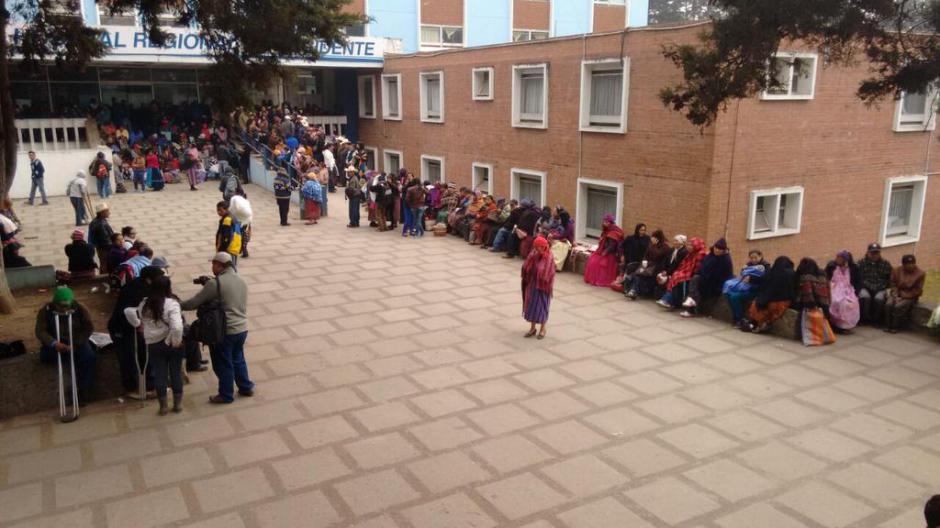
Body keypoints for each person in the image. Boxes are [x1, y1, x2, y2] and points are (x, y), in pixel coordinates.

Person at [180, 253, 254, 404]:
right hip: (242, 328)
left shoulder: (215, 284)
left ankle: (226, 395)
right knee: (238, 359)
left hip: (224, 331)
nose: (212, 267)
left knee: (223, 363)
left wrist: (176, 304)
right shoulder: (241, 280)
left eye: (213, 264)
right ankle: (246, 387)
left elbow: (193, 303)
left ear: (220, 265)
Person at [124, 276, 184, 415]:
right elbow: (177, 327)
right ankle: (177, 404)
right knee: (175, 373)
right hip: (172, 343)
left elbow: (128, 311)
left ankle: (163, 406)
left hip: (154, 343)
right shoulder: (172, 304)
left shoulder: (144, 304)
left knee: (160, 373)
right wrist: (176, 341)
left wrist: (138, 324)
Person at [35, 287, 96, 405]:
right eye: (61, 306)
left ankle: (82, 390)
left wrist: (76, 344)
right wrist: (54, 343)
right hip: (56, 342)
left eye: (66, 306)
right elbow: (40, 331)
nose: (64, 309)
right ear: (55, 303)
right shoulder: (45, 311)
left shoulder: (80, 309)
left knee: (88, 357)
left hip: (76, 341)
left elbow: (88, 328)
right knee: (46, 357)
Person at [680, 238, 734, 317]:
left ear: (723, 250)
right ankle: (691, 306)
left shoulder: (726, 260)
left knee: (695, 284)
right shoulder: (710, 255)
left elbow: (723, 275)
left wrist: (706, 278)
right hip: (705, 279)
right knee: (695, 282)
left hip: (716, 284)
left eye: (720, 249)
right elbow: (702, 267)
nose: (717, 250)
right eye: (716, 248)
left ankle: (690, 309)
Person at [743, 256, 796, 333]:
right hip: (784, 301)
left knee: (760, 307)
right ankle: (756, 325)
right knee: (766, 308)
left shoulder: (773, 272)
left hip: (771, 299)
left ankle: (753, 325)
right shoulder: (791, 273)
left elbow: (767, 285)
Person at [722, 249, 771, 326]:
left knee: (734, 297)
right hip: (746, 288)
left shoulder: (766, 266)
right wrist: (743, 269)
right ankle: (736, 317)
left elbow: (766, 279)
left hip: (757, 291)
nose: (753, 260)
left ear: (760, 256)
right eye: (751, 258)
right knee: (728, 293)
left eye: (755, 257)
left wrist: (751, 279)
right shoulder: (749, 264)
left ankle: (739, 318)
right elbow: (743, 274)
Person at [521, 236, 555, 340]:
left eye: (538, 247)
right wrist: (528, 268)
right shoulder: (534, 254)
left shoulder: (549, 257)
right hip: (533, 284)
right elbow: (526, 265)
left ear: (543, 246)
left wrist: (538, 271)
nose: (536, 249)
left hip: (543, 287)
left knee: (542, 307)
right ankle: (532, 328)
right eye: (535, 247)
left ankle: (543, 329)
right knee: (531, 306)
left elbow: (547, 273)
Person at [658, 237, 706, 309]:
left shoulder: (700, 254)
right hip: (686, 272)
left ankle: (668, 300)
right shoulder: (690, 254)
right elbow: (682, 265)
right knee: (675, 276)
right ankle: (668, 300)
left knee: (677, 278)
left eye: (691, 245)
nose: (689, 247)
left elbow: (697, 269)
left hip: (694, 275)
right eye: (688, 245)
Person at [884, 254, 926, 333]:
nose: (911, 266)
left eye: (912, 263)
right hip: (897, 293)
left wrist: (903, 296)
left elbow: (917, 290)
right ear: (903, 265)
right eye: (908, 264)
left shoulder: (920, 273)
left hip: (911, 295)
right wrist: (896, 294)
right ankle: (887, 325)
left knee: (898, 306)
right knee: (888, 304)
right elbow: (893, 284)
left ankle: (895, 326)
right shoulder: (896, 270)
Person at [625, 229, 671, 299]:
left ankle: (633, 290)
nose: (651, 238)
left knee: (638, 275)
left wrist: (654, 246)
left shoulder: (665, 247)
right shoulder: (651, 245)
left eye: (653, 237)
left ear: (657, 238)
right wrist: (643, 264)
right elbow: (645, 256)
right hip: (648, 266)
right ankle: (633, 291)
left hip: (656, 268)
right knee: (637, 274)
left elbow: (657, 256)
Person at [857, 243, 892, 325]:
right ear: (868, 252)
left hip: (880, 288)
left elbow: (889, 279)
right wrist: (865, 286)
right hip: (865, 287)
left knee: (879, 299)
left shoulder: (886, 263)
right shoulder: (861, 263)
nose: (874, 255)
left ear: (879, 253)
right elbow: (858, 278)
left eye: (876, 253)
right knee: (864, 297)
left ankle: (876, 320)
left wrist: (883, 287)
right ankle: (864, 319)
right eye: (872, 253)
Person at [826, 250, 861, 331]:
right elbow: (827, 277)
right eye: (837, 257)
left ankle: (844, 325)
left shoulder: (852, 268)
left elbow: (857, 281)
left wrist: (856, 292)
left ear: (845, 259)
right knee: (835, 301)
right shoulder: (832, 266)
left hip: (847, 289)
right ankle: (835, 323)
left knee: (849, 303)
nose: (837, 259)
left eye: (840, 257)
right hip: (834, 288)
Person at [88, 203, 114, 274]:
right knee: (105, 264)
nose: (109, 212)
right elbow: (106, 240)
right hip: (105, 248)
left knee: (103, 263)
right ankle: (104, 277)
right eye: (107, 211)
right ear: (102, 213)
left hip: (100, 247)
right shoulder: (101, 224)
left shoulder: (95, 221)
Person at [215, 201, 243, 268]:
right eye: (217, 210)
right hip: (235, 246)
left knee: (230, 267)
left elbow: (227, 237)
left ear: (227, 209)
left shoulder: (227, 220)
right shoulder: (233, 216)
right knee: (232, 265)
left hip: (229, 248)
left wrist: (222, 249)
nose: (218, 212)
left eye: (220, 210)